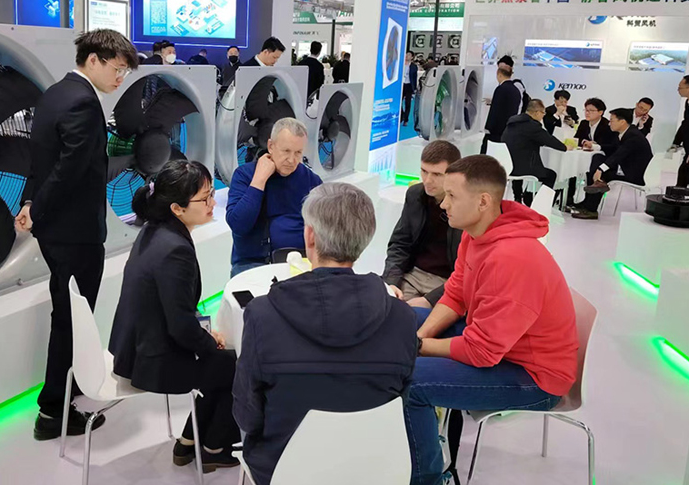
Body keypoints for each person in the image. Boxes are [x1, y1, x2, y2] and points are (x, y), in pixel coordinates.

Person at [406, 155, 578, 485]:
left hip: (534, 376)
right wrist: (419, 337)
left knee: (411, 382)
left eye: (452, 196)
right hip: (498, 345)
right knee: (405, 319)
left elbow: (481, 352)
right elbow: (456, 294)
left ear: (483, 201)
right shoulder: (477, 233)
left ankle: (428, 478)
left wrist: (418, 347)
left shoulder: (512, 258)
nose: (443, 204)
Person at [233, 183, 417, 485]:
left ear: (310, 236)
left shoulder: (262, 315)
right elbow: (401, 400)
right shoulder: (403, 318)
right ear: (365, 239)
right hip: (375, 467)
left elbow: (248, 416)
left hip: (286, 470)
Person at [16, 29, 138, 440]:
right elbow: (68, 169)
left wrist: (31, 203)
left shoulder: (55, 93)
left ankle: (67, 394)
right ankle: (54, 411)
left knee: (67, 316)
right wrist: (38, 209)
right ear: (93, 60)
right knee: (72, 321)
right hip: (76, 234)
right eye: (117, 69)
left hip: (57, 231)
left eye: (125, 72)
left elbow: (41, 161)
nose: (120, 78)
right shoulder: (83, 102)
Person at [109, 161, 240, 472]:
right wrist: (210, 343)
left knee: (221, 362)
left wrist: (205, 337)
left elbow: (175, 309)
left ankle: (189, 442)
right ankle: (213, 446)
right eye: (206, 198)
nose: (213, 203)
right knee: (237, 366)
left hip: (134, 345)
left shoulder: (155, 231)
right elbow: (180, 325)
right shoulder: (174, 250)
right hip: (151, 360)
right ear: (178, 209)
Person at [226, 117, 322, 277]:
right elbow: (238, 225)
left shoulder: (311, 181)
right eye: (286, 151)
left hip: (298, 261)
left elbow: (323, 230)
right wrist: (259, 180)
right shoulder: (245, 175)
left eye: (298, 153)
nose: (291, 160)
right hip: (252, 263)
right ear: (271, 146)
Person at [384, 140, 463, 307]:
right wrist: (391, 282)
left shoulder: (467, 205)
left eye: (436, 174)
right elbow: (400, 243)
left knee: (422, 318)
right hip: (412, 275)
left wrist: (430, 300)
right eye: (424, 171)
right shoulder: (415, 195)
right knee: (384, 310)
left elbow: (469, 269)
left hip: (449, 282)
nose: (427, 180)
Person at [571, 108, 653, 220]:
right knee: (597, 157)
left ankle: (591, 209)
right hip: (626, 168)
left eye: (612, 121)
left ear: (622, 122)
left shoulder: (633, 136)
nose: (609, 123)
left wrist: (601, 169)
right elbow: (614, 148)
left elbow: (619, 155)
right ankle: (589, 199)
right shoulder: (627, 132)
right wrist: (596, 147)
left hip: (635, 174)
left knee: (602, 174)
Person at [503, 99, 567, 205]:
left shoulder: (512, 123)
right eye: (543, 113)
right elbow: (549, 140)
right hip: (524, 167)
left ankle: (517, 198)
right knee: (551, 175)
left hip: (507, 166)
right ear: (537, 112)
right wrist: (565, 147)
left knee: (518, 165)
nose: (543, 116)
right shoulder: (532, 126)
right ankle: (539, 204)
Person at [565, 97, 618, 207]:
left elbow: (612, 146)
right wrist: (584, 142)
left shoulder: (607, 125)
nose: (587, 113)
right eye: (586, 110)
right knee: (571, 167)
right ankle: (569, 198)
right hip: (585, 155)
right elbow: (577, 138)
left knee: (593, 168)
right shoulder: (584, 123)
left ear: (600, 112)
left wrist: (595, 146)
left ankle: (589, 203)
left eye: (591, 110)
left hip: (603, 158)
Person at [481, 64, 521, 153]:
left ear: (499, 74)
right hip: (508, 129)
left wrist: (488, 127)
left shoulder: (501, 89)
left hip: (496, 129)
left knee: (486, 152)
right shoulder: (516, 90)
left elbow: (495, 110)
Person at [401, 50, 419, 126]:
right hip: (402, 85)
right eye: (406, 54)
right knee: (399, 102)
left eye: (409, 55)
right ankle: (402, 115)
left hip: (409, 85)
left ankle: (406, 119)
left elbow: (415, 78)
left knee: (408, 103)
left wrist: (414, 88)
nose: (407, 56)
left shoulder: (414, 66)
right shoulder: (401, 64)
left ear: (412, 57)